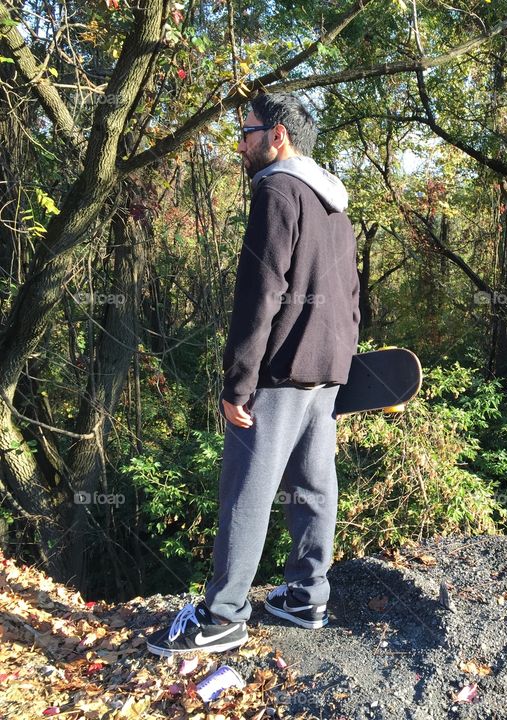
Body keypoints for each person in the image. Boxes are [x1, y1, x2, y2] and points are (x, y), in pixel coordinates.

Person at [147, 93, 360, 656]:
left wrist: (238, 381)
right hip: (326, 371)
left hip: (278, 372)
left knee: (246, 489)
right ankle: (306, 595)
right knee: (313, 487)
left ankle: (222, 617)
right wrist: (342, 366)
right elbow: (351, 299)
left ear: (278, 135)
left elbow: (260, 292)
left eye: (246, 132)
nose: (240, 142)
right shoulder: (337, 207)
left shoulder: (276, 190)